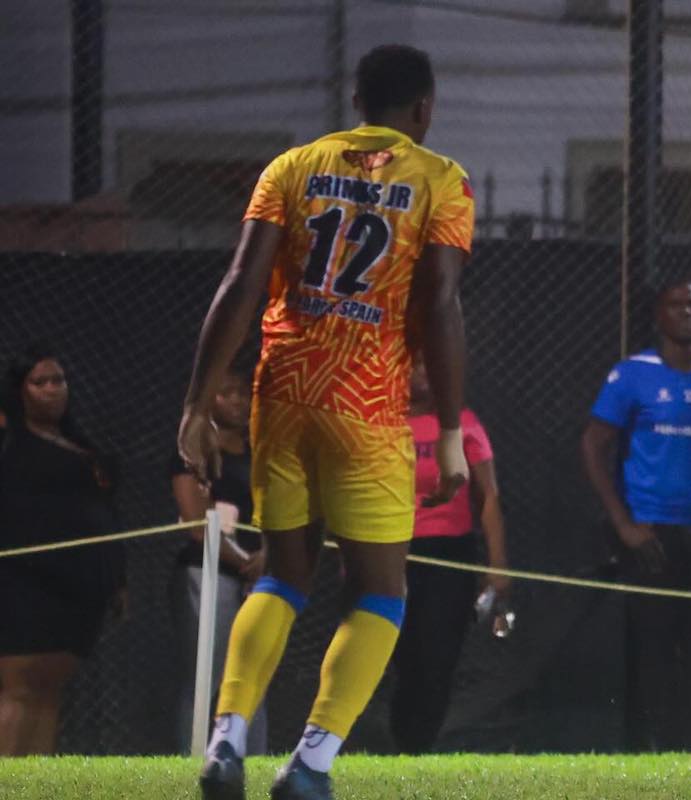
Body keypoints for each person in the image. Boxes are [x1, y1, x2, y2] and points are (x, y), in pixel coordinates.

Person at [177, 44, 473, 800]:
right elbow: (439, 304)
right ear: (424, 110)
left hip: (282, 392)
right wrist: (444, 429)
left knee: (282, 576)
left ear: (356, 103)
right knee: (381, 594)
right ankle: (309, 763)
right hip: (368, 403)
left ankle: (226, 742)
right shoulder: (440, 179)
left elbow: (240, 281)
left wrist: (195, 404)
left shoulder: (291, 167)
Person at [581, 279, 691, 752]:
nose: (687, 312)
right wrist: (622, 523)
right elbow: (593, 446)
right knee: (650, 647)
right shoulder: (632, 375)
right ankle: (645, 751)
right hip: (648, 532)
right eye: (677, 305)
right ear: (659, 315)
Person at [0, 344, 125, 756]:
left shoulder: (80, 444)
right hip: (24, 585)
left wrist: (117, 580)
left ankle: (35, 786)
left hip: (79, 593)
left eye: (59, 380)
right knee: (19, 689)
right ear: (20, 390)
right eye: (40, 382)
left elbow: (108, 515)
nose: (53, 389)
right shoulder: (9, 443)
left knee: (49, 693)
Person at [388, 357, 510, 754]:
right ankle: (401, 740)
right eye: (411, 365)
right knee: (400, 654)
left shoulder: (461, 423)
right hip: (390, 549)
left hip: (448, 552)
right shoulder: (381, 421)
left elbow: (488, 494)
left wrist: (498, 567)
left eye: (427, 365)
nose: (418, 372)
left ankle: (418, 747)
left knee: (437, 655)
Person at [169, 367, 268, 755]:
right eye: (227, 393)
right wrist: (245, 560)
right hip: (207, 573)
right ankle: (191, 763)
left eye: (243, 392)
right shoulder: (191, 455)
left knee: (253, 674)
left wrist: (268, 558)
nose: (239, 401)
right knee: (205, 677)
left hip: (259, 577)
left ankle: (251, 765)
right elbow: (197, 521)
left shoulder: (260, 452)